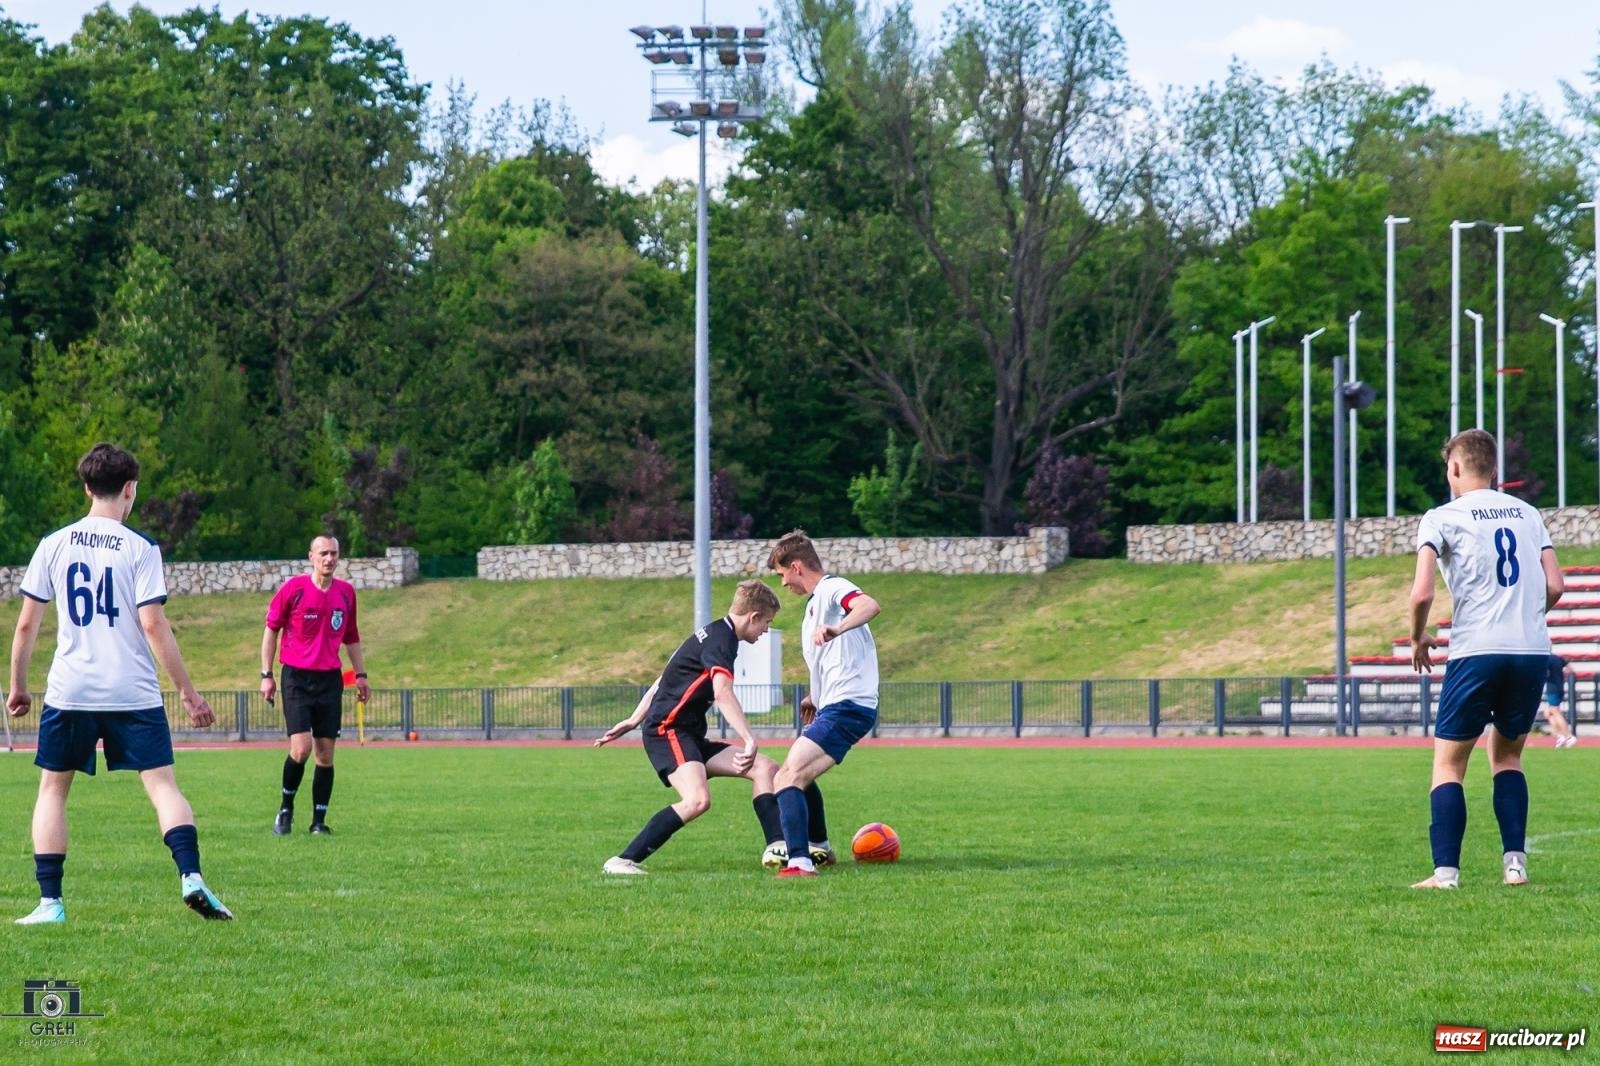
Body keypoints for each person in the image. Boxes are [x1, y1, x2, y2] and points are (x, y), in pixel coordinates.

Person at [6, 443, 232, 923]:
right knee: (163, 786)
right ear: (130, 489)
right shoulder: (140, 547)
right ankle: (191, 876)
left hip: (72, 691)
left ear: (88, 488)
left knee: (53, 790)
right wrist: (189, 694)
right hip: (132, 691)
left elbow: (26, 626)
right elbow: (153, 625)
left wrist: (18, 687)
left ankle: (50, 903)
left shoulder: (54, 543)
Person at [1409, 429, 1564, 890]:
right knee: (1508, 759)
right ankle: (1514, 864)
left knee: (1449, 764)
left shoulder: (1441, 517)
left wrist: (1419, 638)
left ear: (1454, 468)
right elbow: (1555, 585)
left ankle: (1446, 873)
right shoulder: (1529, 514)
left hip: (1476, 649)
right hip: (1530, 650)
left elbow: (1422, 592)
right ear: (1495, 471)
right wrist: (1526, 618)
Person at [595, 579, 785, 875]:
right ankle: (621, 861)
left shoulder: (713, 633)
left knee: (765, 769)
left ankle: (777, 847)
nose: (766, 630)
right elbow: (722, 692)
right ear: (753, 616)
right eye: (767, 623)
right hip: (667, 731)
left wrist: (634, 718)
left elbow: (663, 678)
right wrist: (748, 737)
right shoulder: (721, 640)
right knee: (698, 800)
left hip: (689, 736)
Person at [767, 529, 882, 878]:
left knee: (787, 777)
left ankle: (801, 862)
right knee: (797, 774)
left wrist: (839, 628)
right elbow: (826, 661)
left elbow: (869, 605)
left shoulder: (832, 588)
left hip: (849, 705)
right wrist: (814, 698)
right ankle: (820, 849)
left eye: (782, 574)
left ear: (797, 566)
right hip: (836, 704)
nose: (783, 583)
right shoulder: (813, 607)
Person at [260, 535, 370, 836]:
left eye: (334, 553)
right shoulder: (293, 590)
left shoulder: (346, 593)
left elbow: (351, 636)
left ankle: (319, 821)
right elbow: (271, 630)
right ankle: (286, 808)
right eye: (323, 553)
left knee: (325, 754)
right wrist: (266, 674)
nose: (329, 559)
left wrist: (361, 675)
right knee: (301, 748)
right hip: (296, 677)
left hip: (329, 680)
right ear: (311, 556)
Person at [1542, 652, 1578, 748]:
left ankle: (1569, 736)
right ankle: (1560, 735)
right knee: (1548, 713)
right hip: (1559, 687)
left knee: (1555, 711)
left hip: (1553, 688)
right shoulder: (1557, 657)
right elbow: (1570, 669)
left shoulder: (1545, 659)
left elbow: (1544, 673)